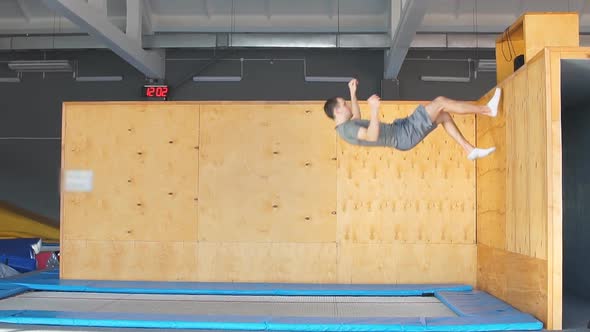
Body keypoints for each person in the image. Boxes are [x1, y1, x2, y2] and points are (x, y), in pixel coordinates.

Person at [323, 79, 499, 160]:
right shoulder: (347, 130)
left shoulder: (346, 127)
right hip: (403, 135)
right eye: (344, 105)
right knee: (440, 102)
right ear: (338, 111)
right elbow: (371, 136)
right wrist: (375, 110)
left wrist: (353, 94)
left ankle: (469, 149)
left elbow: (357, 118)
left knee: (443, 115)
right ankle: (488, 110)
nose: (348, 107)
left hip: (401, 131)